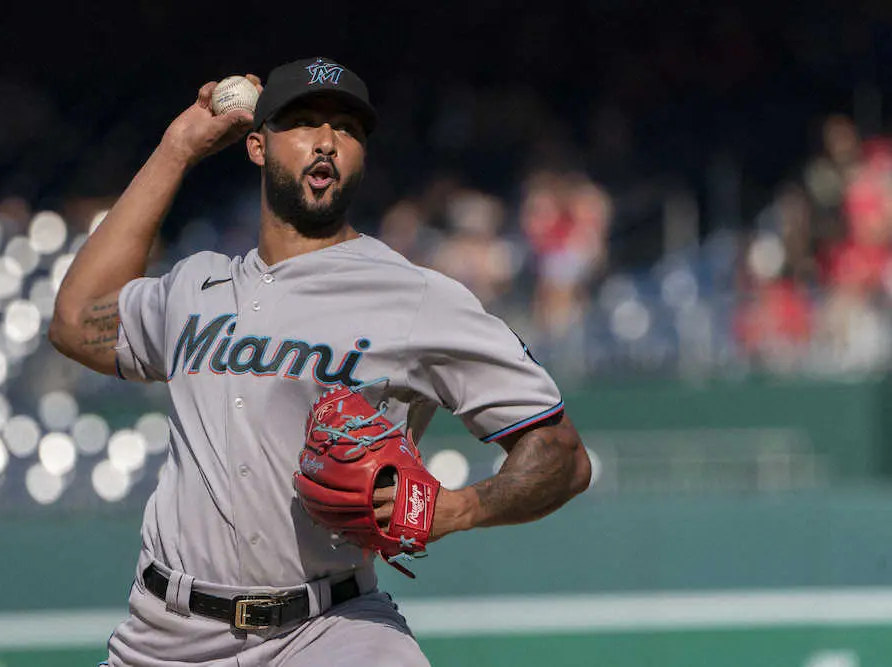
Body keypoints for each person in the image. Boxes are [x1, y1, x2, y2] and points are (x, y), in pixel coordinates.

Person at [49, 57, 591, 667]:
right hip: (165, 636)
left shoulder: (414, 297)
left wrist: (461, 507)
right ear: (257, 145)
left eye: (348, 128)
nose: (328, 140)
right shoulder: (194, 286)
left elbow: (562, 454)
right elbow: (75, 322)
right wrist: (176, 149)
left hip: (330, 628)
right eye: (305, 121)